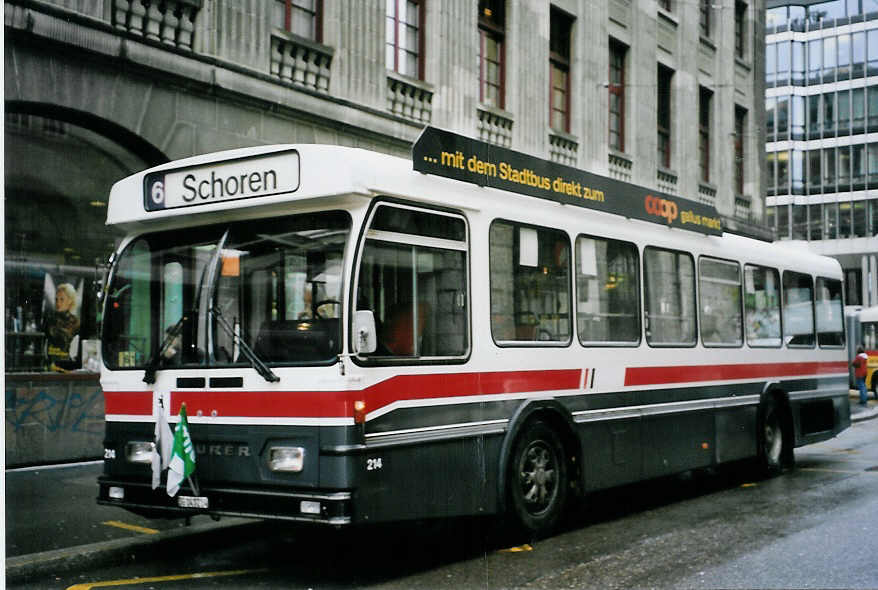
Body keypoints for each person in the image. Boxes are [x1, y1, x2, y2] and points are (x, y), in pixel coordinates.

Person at [46, 283, 80, 370]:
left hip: (67, 365)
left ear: (70, 301)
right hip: (50, 363)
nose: (58, 303)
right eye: (56, 299)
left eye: (62, 299)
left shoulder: (75, 322)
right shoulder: (50, 319)